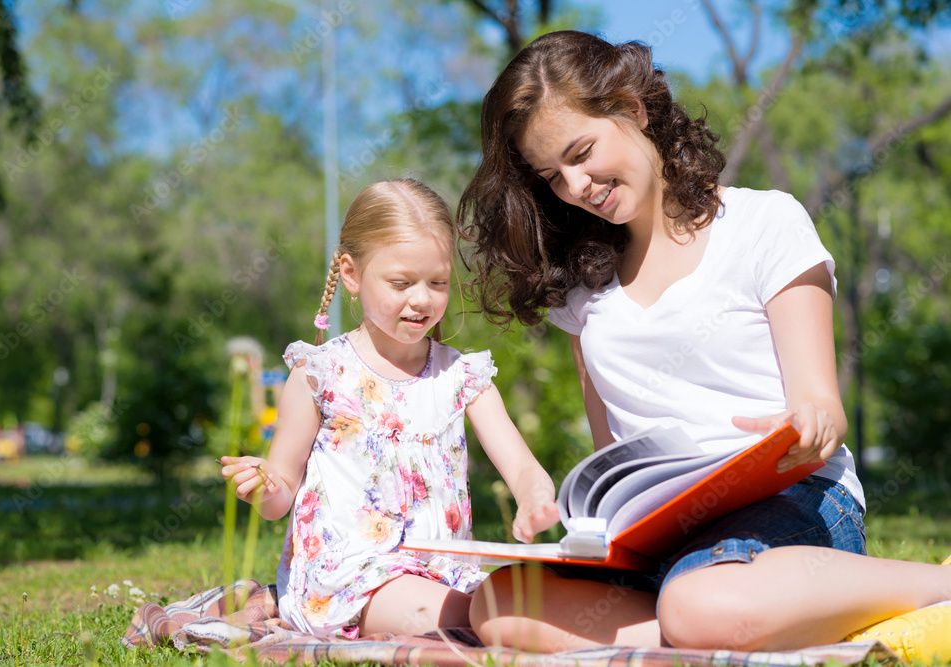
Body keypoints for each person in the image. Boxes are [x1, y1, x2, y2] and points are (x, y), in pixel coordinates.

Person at [456, 30, 951, 661]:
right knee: (498, 605)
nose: (576, 186)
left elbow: (822, 410)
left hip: (789, 501)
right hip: (659, 535)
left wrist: (804, 423)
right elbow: (614, 456)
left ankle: (939, 585)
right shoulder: (584, 290)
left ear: (632, 108)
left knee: (699, 604)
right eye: (552, 175)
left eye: (582, 153)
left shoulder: (764, 223)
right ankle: (731, 624)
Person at [221, 178, 559, 639]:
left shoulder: (463, 377)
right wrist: (264, 486)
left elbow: (522, 467)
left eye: (438, 282)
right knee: (493, 615)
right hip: (350, 580)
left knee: (520, 601)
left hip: (446, 575)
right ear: (352, 275)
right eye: (401, 282)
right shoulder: (320, 373)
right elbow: (281, 498)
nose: (422, 298)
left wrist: (535, 499)